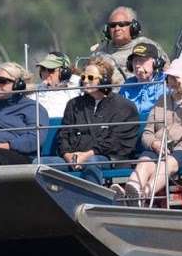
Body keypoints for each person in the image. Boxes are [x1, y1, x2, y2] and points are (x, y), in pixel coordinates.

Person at [114, 58, 182, 207]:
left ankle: (142, 197)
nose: (171, 80)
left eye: (176, 77)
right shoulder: (162, 100)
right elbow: (147, 132)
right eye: (170, 77)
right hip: (161, 148)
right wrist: (154, 143)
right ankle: (132, 192)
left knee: (168, 164)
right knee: (144, 162)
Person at [44, 54, 140, 184]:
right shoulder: (74, 104)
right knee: (39, 163)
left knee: (92, 162)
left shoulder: (124, 106)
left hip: (106, 158)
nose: (85, 81)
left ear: (104, 80)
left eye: (90, 78)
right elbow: (63, 135)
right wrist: (68, 155)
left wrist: (87, 155)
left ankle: (90, 200)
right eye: (83, 77)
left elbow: (114, 142)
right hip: (73, 158)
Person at [92, 6, 166, 77]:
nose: (117, 28)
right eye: (113, 25)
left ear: (133, 27)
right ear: (107, 30)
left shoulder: (148, 46)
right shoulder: (100, 52)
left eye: (122, 24)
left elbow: (166, 71)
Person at [119, 41, 165, 120]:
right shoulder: (128, 85)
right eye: (135, 61)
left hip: (156, 126)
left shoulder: (166, 82)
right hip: (131, 127)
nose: (137, 65)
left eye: (141, 60)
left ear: (156, 63)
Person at [33, 51, 75, 118]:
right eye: (43, 69)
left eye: (51, 70)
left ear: (64, 72)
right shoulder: (36, 92)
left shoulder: (77, 90)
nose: (46, 74)